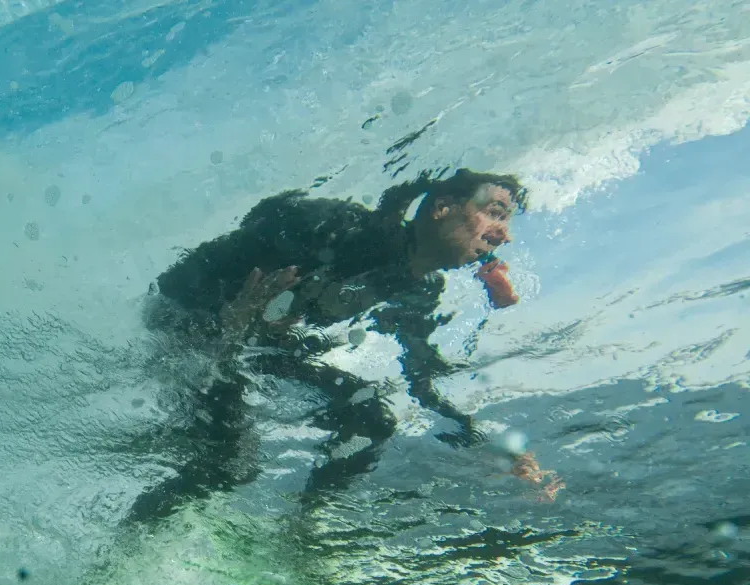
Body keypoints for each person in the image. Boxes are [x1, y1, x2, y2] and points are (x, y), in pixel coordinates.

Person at [130, 167, 561, 522]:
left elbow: (423, 381)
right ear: (442, 208)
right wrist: (235, 308)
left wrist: (484, 446)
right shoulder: (342, 229)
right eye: (495, 213)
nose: (504, 235)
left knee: (373, 418)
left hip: (258, 342)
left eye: (507, 223)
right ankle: (127, 548)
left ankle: (302, 528)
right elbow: (266, 217)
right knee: (229, 465)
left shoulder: (418, 292)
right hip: (189, 325)